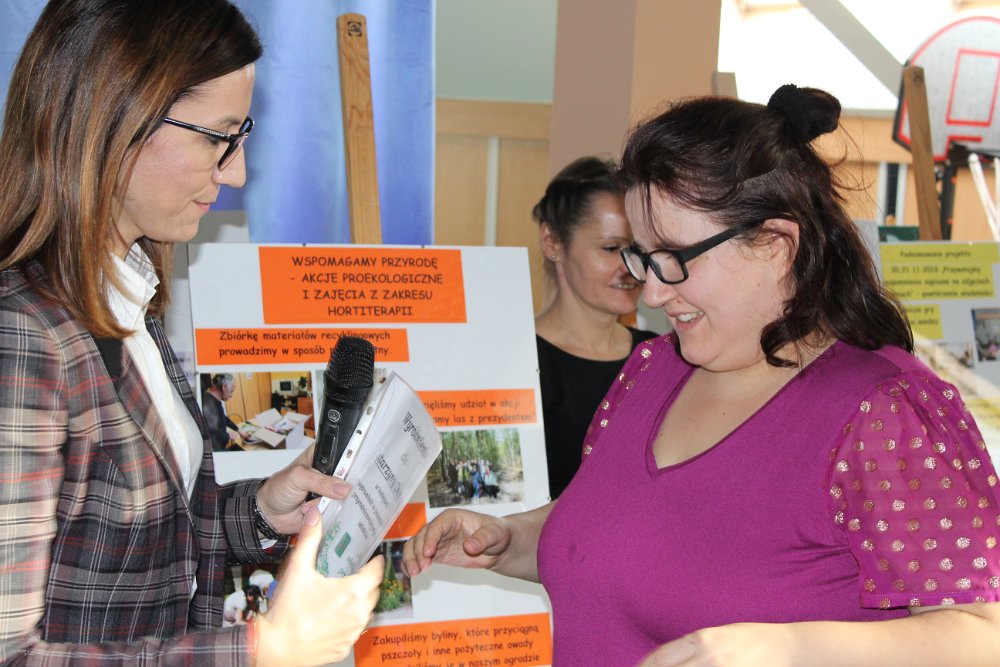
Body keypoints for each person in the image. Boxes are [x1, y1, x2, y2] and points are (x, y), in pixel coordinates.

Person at [403, 84, 1000, 666]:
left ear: (776, 244)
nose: (653, 291)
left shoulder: (883, 410)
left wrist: (791, 649)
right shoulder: (654, 369)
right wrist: (512, 539)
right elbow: (617, 540)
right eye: (643, 256)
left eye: (675, 258)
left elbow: (983, 634)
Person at [0, 1, 382, 665]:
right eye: (217, 137)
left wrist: (260, 509)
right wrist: (262, 650)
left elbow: (136, 544)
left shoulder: (130, 295)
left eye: (242, 135)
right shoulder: (23, 336)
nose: (235, 172)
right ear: (116, 118)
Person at [532, 156, 658, 498]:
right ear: (553, 243)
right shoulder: (520, 363)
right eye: (611, 248)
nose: (630, 267)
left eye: (640, 250)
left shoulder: (659, 356)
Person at [203, 373, 245, 451]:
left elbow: (223, 417)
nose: (231, 395)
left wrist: (238, 429)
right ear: (224, 387)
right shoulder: (210, 406)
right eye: (231, 391)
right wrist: (229, 436)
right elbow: (214, 438)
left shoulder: (210, 398)